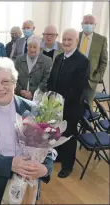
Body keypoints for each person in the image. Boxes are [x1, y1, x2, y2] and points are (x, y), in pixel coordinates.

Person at [0, 57, 54, 205]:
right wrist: (10, 164)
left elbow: (47, 146)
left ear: (14, 83)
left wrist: (45, 169)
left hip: (26, 183)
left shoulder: (33, 109)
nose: (0, 88)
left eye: (6, 81)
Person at [47, 28, 90, 178]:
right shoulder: (59, 57)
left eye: (69, 40)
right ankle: (58, 156)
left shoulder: (83, 61)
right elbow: (52, 79)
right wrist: (49, 95)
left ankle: (68, 165)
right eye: (64, 39)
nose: (66, 42)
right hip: (55, 104)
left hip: (71, 106)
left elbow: (78, 87)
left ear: (76, 41)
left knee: (69, 133)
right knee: (57, 131)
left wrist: (62, 100)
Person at [78, 14, 108, 108]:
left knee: (87, 108)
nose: (88, 25)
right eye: (86, 23)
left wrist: (98, 77)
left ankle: (86, 123)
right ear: (82, 24)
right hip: (74, 78)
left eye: (91, 23)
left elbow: (104, 61)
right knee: (73, 105)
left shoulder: (101, 40)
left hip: (90, 80)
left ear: (95, 25)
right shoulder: (75, 36)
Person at [15, 35, 52, 100]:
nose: (32, 49)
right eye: (30, 47)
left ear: (40, 48)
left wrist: (33, 93)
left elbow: (46, 80)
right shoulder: (19, 59)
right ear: (27, 47)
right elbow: (14, 77)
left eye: (35, 47)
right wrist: (20, 90)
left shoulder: (47, 60)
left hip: (38, 98)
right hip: (20, 97)